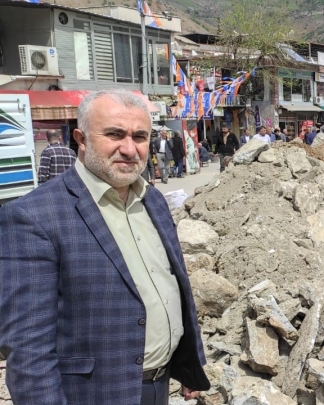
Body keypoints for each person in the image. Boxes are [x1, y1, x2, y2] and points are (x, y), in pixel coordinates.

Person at [0, 89, 210, 405]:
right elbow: (28, 348)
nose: (129, 148)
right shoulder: (35, 216)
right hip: (96, 393)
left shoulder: (152, 200)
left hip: (159, 385)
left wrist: (187, 364)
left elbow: (170, 286)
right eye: (114, 134)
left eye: (140, 137)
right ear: (81, 138)